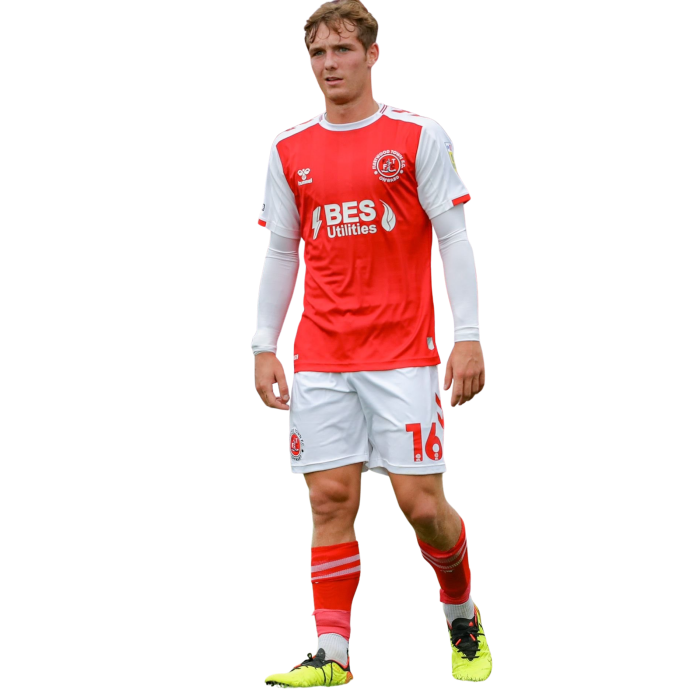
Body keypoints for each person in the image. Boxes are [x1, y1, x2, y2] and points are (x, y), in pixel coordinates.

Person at [252, 0, 491, 688]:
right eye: (318, 54)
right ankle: (331, 653)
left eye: (343, 50)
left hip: (404, 353)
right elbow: (283, 250)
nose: (330, 65)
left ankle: (460, 613)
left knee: (422, 506)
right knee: (329, 500)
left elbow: (453, 240)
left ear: (372, 54)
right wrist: (264, 343)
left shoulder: (417, 135)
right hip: (321, 354)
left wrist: (468, 338)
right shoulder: (289, 147)